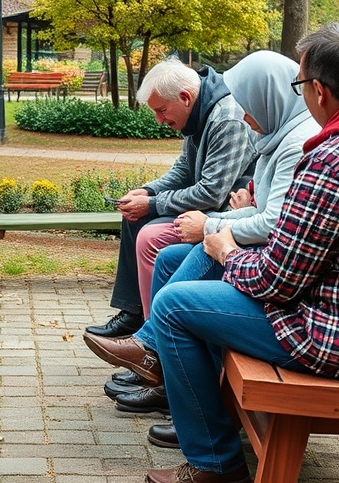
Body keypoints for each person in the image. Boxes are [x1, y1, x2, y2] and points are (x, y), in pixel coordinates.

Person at [95, 22, 339, 483]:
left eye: (300, 83)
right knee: (183, 275)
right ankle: (178, 384)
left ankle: (214, 465)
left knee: (173, 306)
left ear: (321, 91)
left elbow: (277, 280)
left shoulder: (338, 158)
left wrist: (226, 249)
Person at [85, 50, 320, 427]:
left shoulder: (247, 124)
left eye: (161, 111)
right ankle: (150, 349)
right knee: (163, 251)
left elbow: (225, 199)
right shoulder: (272, 133)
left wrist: (209, 225)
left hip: (310, 319)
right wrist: (149, 193)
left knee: (167, 267)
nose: (245, 116)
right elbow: (190, 174)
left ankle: (159, 359)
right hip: (271, 263)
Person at [85, 59, 255, 340]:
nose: (159, 120)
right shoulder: (200, 108)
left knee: (150, 237)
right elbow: (184, 169)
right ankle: (134, 313)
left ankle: (154, 336)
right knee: (134, 217)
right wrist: (148, 191)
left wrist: (153, 204)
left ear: (185, 97)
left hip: (226, 212)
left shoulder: (226, 117)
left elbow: (211, 193)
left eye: (162, 111)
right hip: (209, 206)